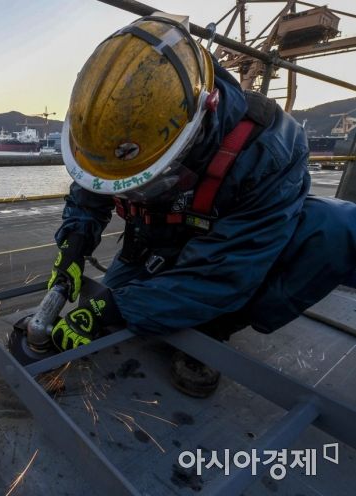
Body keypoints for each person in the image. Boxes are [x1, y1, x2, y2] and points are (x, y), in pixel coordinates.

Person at [47, 14, 356, 398]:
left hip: (228, 250)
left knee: (335, 229)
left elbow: (227, 272)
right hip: (157, 243)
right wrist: (73, 246)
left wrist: (114, 308)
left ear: (197, 129)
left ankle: (214, 328)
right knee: (114, 308)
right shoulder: (117, 127)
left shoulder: (268, 150)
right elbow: (91, 188)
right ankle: (161, 300)